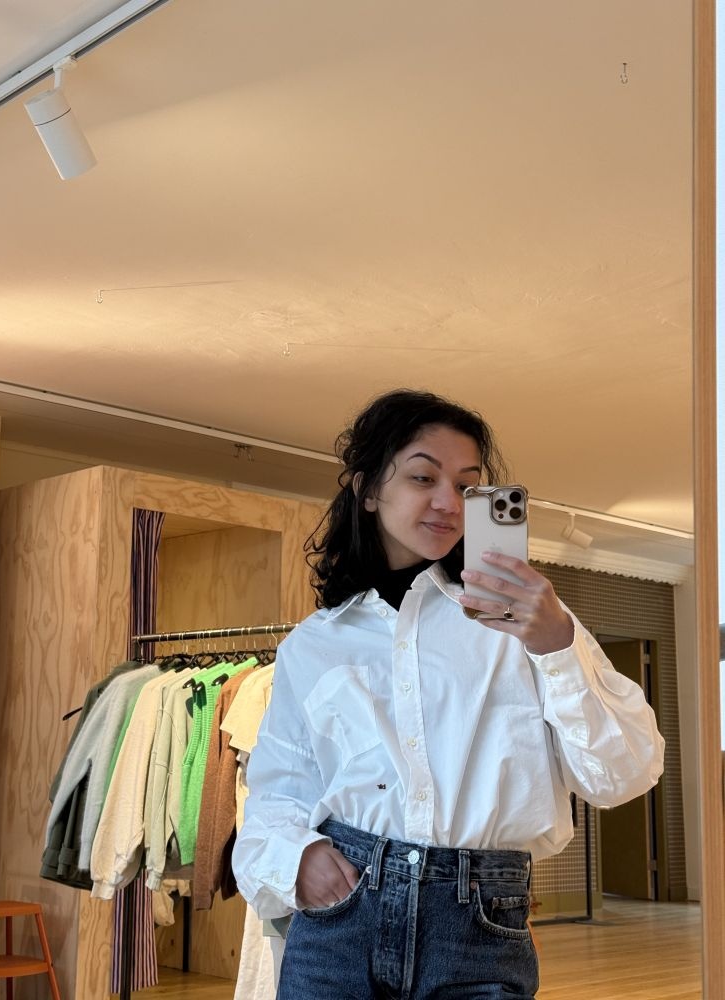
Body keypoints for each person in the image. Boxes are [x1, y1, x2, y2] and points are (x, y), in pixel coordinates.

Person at [232, 388, 665, 1000]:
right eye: (423, 477)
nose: (448, 502)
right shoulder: (315, 643)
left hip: (478, 924)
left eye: (467, 486)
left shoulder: (532, 622)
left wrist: (556, 645)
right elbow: (278, 792)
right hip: (341, 925)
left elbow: (623, 774)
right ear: (368, 489)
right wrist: (294, 858)